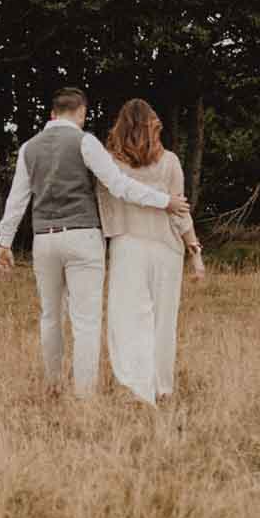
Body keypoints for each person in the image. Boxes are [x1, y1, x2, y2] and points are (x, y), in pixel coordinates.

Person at [0, 88, 192, 397]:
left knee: (50, 315)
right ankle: (84, 393)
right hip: (83, 237)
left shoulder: (28, 148)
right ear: (82, 112)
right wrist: (164, 200)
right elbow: (119, 185)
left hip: (44, 239)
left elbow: (17, 199)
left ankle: (53, 383)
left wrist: (4, 241)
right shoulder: (85, 142)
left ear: (52, 114)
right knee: (85, 320)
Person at [96, 98, 204, 405]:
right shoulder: (169, 161)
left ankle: (136, 383)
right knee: (163, 319)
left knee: (129, 318)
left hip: (127, 245)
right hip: (166, 248)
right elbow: (179, 211)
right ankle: (162, 387)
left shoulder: (109, 163)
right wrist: (194, 252)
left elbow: (105, 203)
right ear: (153, 126)